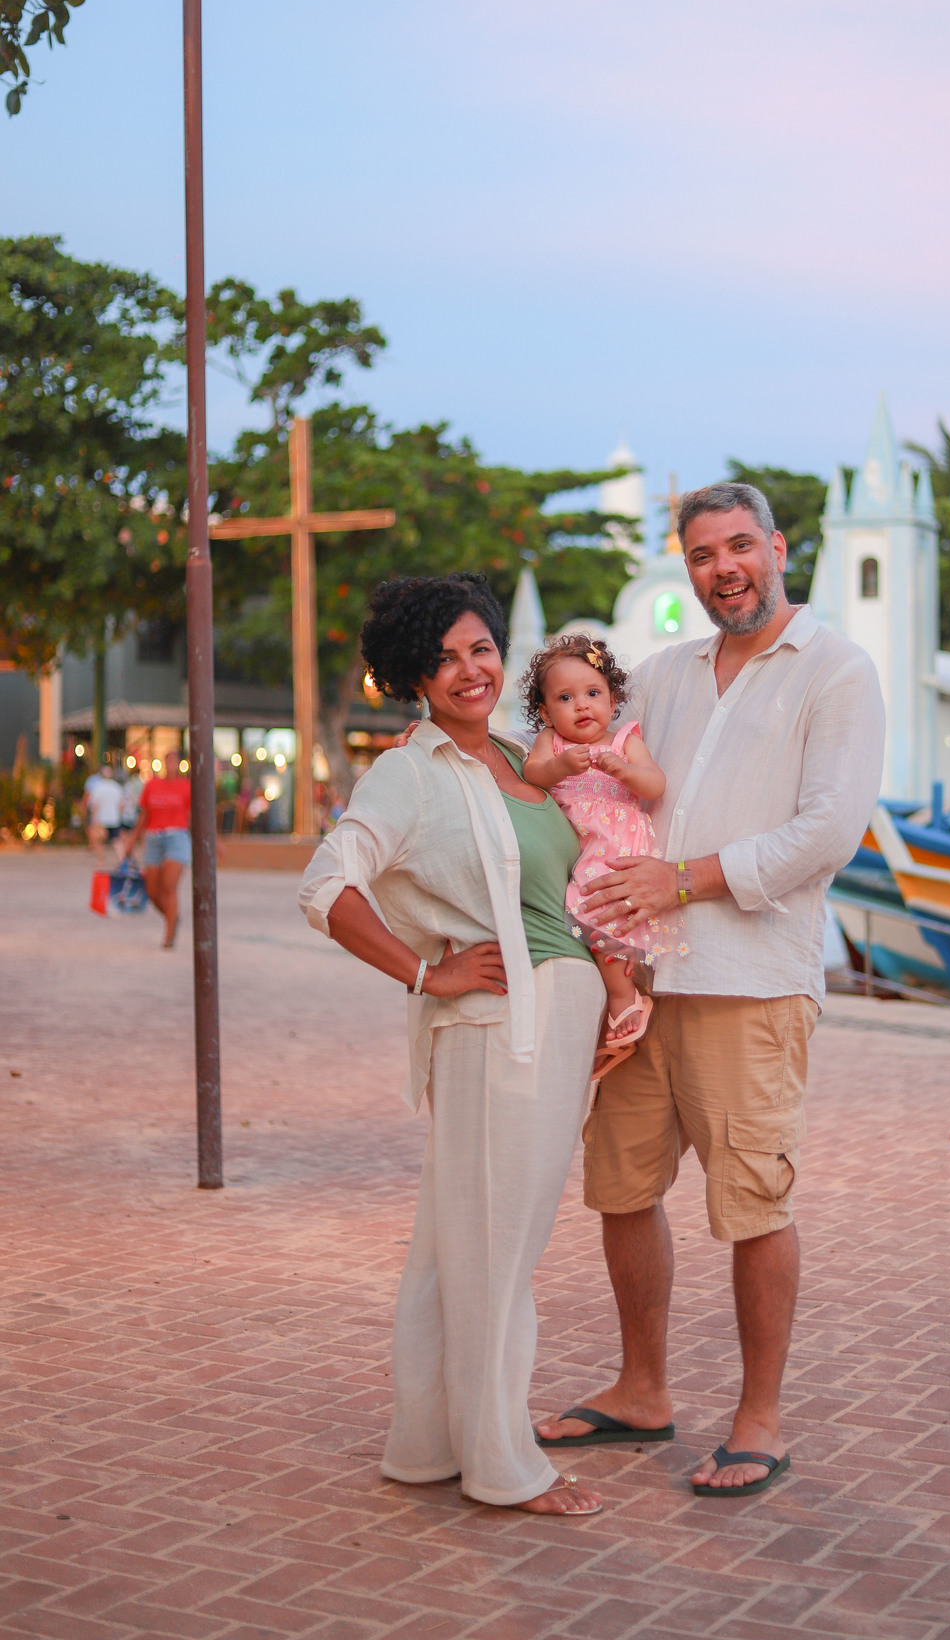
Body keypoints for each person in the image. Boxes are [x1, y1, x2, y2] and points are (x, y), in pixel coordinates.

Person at [535, 482, 885, 1498]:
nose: (723, 566)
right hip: (640, 976)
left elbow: (827, 832)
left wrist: (683, 879)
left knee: (754, 1204)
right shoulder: (661, 673)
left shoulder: (836, 671)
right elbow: (591, 762)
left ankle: (760, 1417)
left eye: (740, 545)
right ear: (685, 566)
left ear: (777, 548)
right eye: (701, 553)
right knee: (621, 1188)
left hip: (750, 982)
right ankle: (643, 1390)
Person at [297, 573, 607, 1518]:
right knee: (496, 1257)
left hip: (548, 1029)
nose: (468, 670)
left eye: (479, 649)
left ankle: (428, 1444)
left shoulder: (517, 753)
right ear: (413, 678)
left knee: (454, 1250)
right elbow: (326, 884)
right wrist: (426, 973)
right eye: (442, 660)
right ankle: (506, 1464)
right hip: (492, 1035)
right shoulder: (411, 772)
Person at [521, 633, 678, 1050]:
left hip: (614, 849)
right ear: (546, 711)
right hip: (577, 847)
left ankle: (624, 998)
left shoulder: (624, 741)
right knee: (579, 919)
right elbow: (531, 773)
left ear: (612, 700)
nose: (582, 705)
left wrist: (624, 771)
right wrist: (557, 765)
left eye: (593, 693)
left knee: (596, 910)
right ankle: (600, 1003)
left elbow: (656, 784)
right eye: (566, 698)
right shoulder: (550, 743)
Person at [130, 752, 191, 949]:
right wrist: (132, 840)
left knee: (168, 886)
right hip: (153, 837)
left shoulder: (186, 786)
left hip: (176, 836)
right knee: (152, 890)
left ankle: (169, 933)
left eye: (174, 761)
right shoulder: (152, 785)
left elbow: (195, 816)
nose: (170, 765)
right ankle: (172, 918)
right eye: (168, 761)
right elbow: (144, 816)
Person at [82, 763, 124, 861]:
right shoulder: (116, 787)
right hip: (113, 818)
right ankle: (122, 859)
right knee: (116, 840)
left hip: (101, 818)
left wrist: (93, 819)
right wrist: (119, 816)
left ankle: (100, 861)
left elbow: (94, 805)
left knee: (99, 840)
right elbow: (121, 804)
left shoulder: (97, 787)